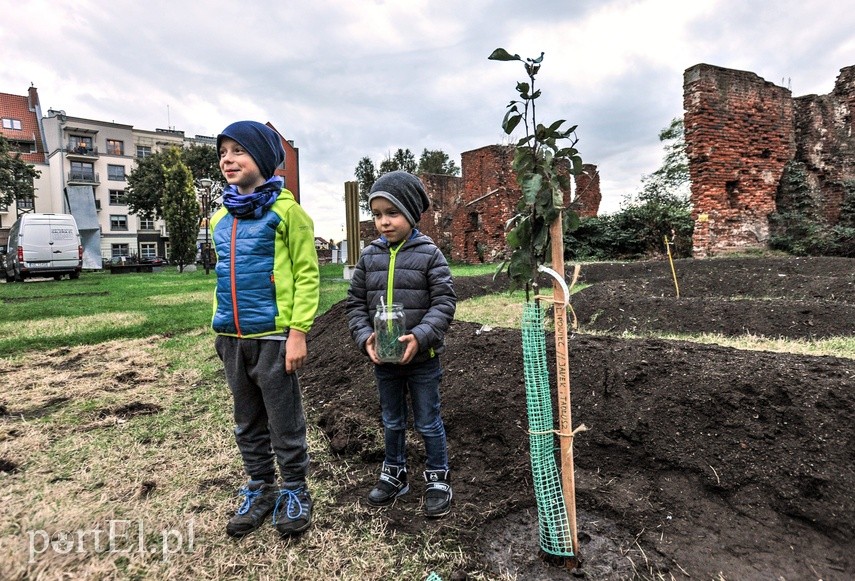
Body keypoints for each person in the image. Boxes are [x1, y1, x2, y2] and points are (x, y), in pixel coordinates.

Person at [210, 120, 320, 538]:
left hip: (275, 338)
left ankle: (295, 490)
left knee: (284, 421)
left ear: (263, 158)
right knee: (247, 421)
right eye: (223, 152)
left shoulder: (288, 213)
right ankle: (261, 489)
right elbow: (224, 277)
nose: (228, 159)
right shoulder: (221, 217)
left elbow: (307, 276)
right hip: (233, 338)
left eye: (238, 150)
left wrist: (297, 332)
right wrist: (221, 330)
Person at [345, 171, 457, 518]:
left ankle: (438, 477)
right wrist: (365, 338)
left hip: (422, 359)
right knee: (391, 420)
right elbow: (355, 305)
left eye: (391, 213)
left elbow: (444, 304)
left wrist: (420, 336)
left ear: (410, 213)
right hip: (384, 360)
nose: (383, 222)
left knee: (427, 420)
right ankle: (394, 472)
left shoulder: (429, 254)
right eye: (377, 214)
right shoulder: (369, 257)